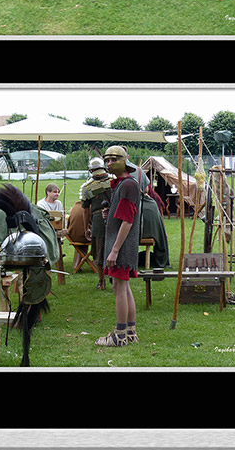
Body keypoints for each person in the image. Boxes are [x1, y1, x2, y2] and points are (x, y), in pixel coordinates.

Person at [95, 145, 142, 348]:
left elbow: (128, 221)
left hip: (122, 245)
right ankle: (130, 332)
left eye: (114, 159)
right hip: (122, 243)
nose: (109, 163)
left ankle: (120, 334)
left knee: (119, 287)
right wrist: (109, 216)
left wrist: (114, 250)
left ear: (125, 160)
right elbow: (121, 216)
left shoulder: (128, 185)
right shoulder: (122, 184)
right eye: (107, 160)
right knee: (123, 286)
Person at [80, 158, 111, 289]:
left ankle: (101, 281)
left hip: (98, 220)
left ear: (91, 169)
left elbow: (86, 210)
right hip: (116, 217)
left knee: (99, 251)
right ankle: (114, 278)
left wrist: (86, 227)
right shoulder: (115, 180)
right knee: (115, 247)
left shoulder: (87, 187)